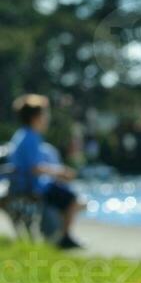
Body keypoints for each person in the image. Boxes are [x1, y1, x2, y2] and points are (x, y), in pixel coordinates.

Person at [6, 94, 84, 249]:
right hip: (31, 188)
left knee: (68, 197)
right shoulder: (30, 137)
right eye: (45, 114)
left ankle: (58, 235)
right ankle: (64, 238)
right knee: (73, 200)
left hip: (25, 185)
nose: (47, 118)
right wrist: (60, 172)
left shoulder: (23, 135)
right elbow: (35, 168)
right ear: (36, 117)